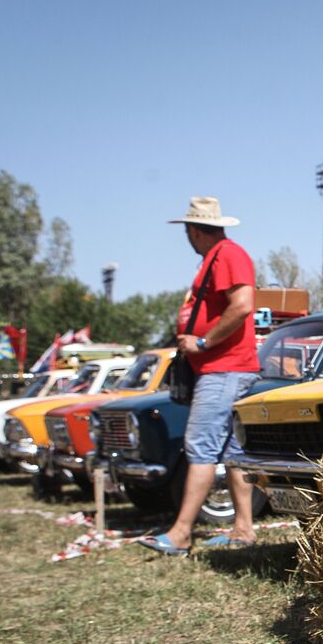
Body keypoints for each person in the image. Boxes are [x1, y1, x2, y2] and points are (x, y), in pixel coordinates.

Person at [140, 197, 259, 556]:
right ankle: (243, 529)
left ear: (192, 230)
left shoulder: (228, 255)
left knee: (201, 446)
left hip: (223, 368)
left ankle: (180, 533)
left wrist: (204, 342)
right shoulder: (218, 257)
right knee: (231, 451)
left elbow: (242, 305)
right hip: (223, 367)